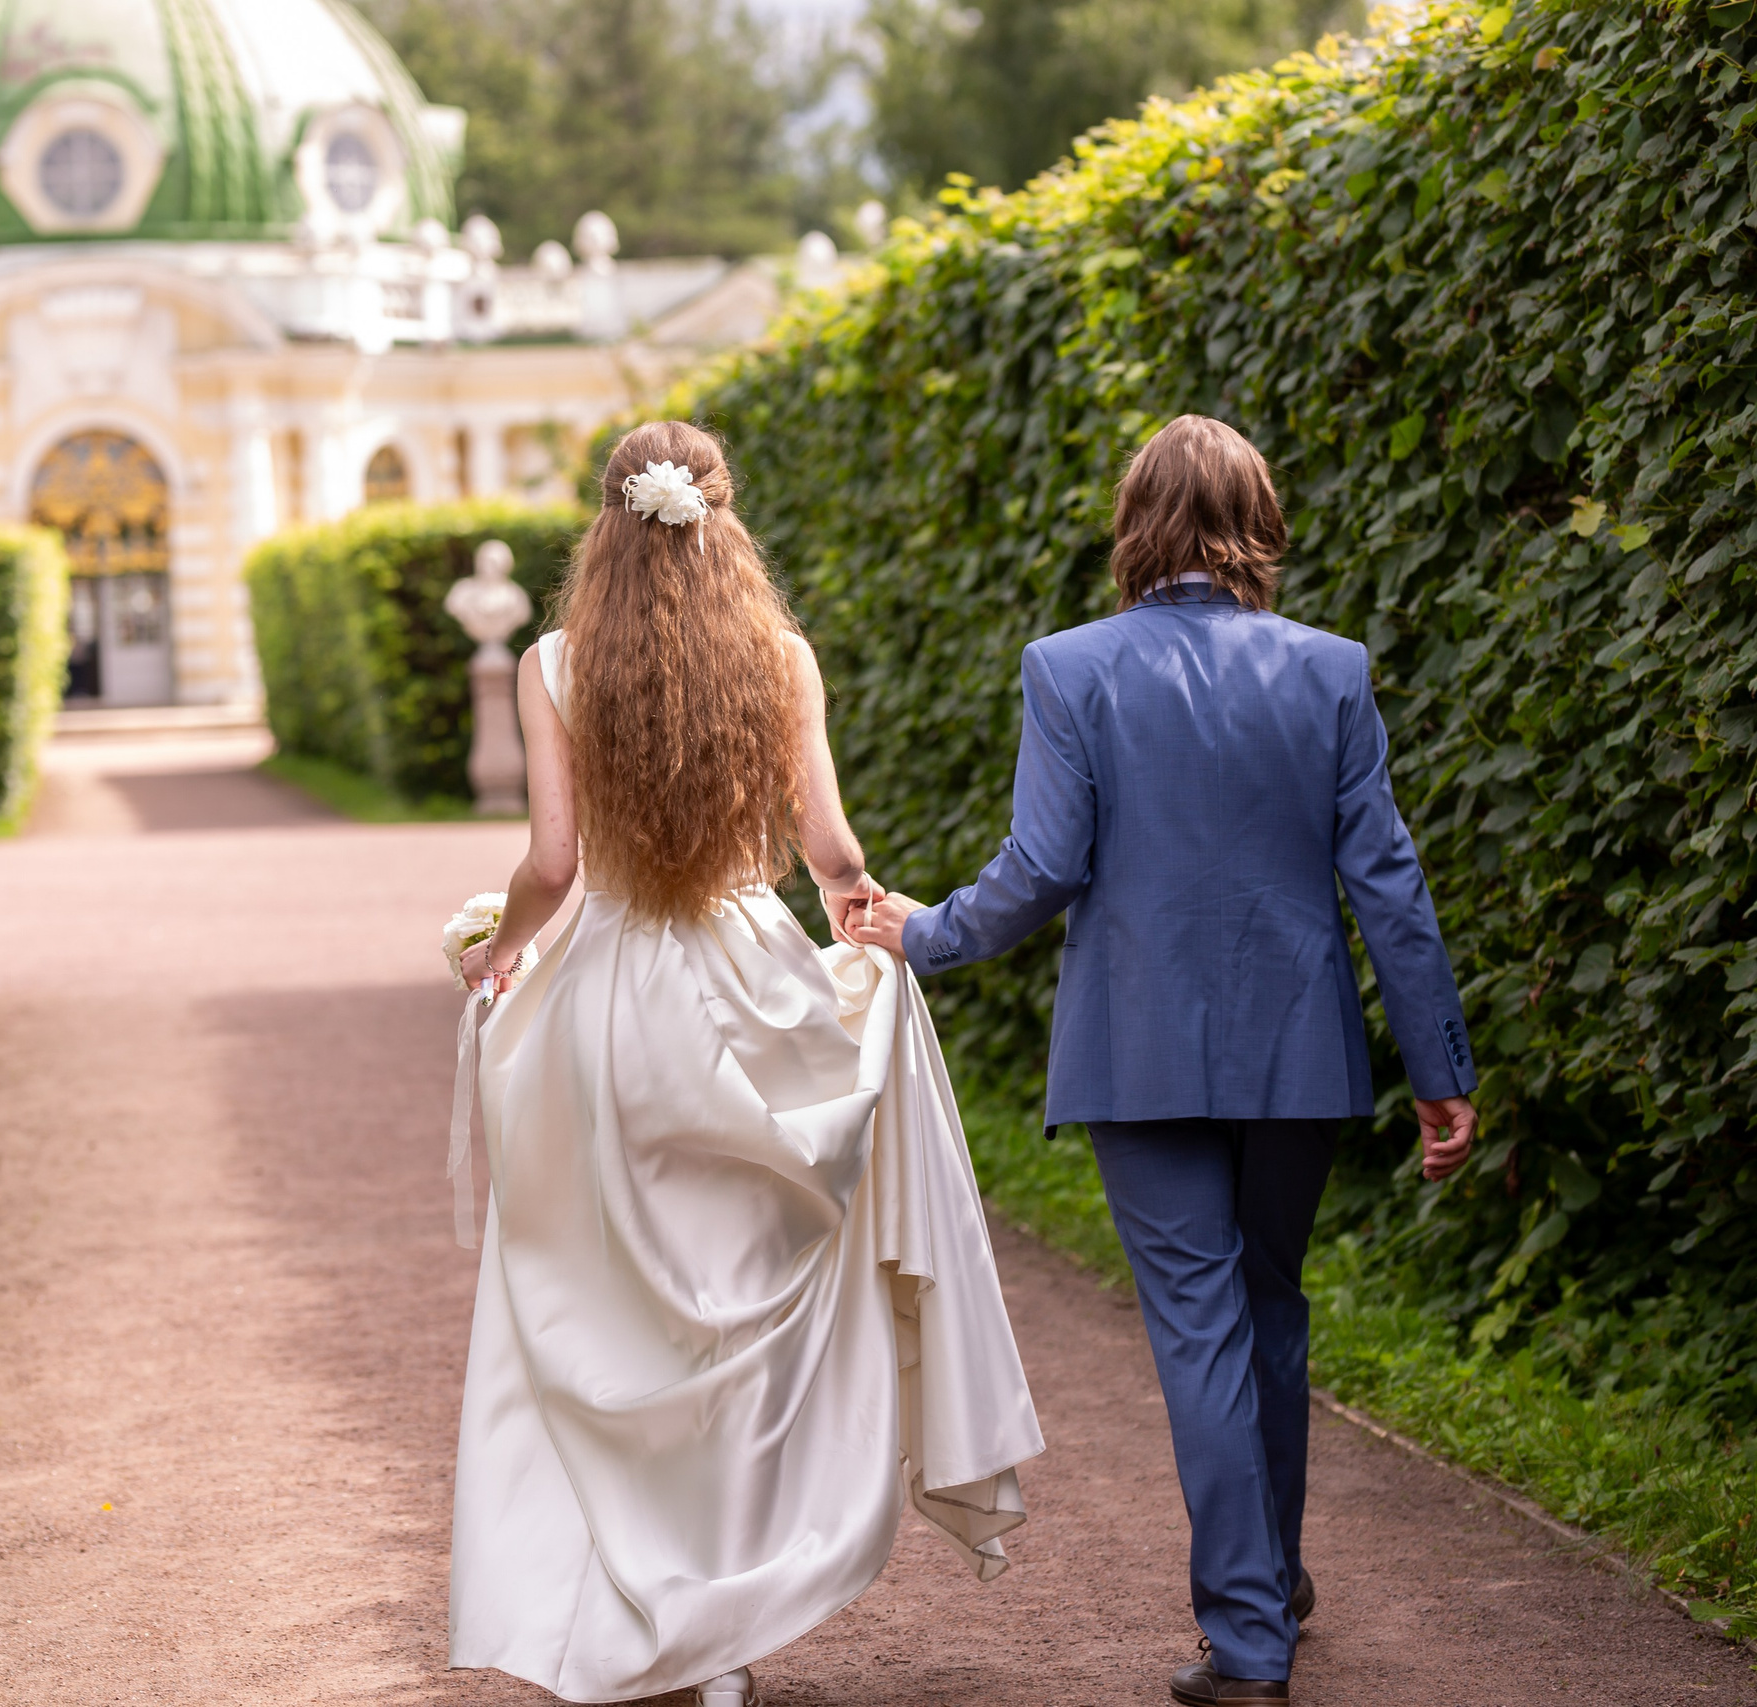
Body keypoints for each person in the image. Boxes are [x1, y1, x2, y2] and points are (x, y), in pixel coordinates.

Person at [850, 414, 1479, 1707]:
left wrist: (928, 932)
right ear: (1259, 518)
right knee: (1273, 1309)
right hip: (1298, 1046)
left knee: (1202, 1325)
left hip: (1137, 1053)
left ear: (1134, 521)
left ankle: (1249, 1639)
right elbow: (1392, 883)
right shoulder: (1332, 669)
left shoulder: (1068, 667)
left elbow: (1044, 867)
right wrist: (1439, 1061)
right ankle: (1274, 1583)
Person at [446, 420, 1043, 1707]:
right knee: (748, 1323)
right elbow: (828, 847)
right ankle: (724, 1641)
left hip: (607, 1004)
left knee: (615, 1320)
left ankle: (639, 1606)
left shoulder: (550, 662)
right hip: (744, 987)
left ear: (605, 526)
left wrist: (495, 947)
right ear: (724, 519)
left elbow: (553, 867)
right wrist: (866, 915)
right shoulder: (777, 659)